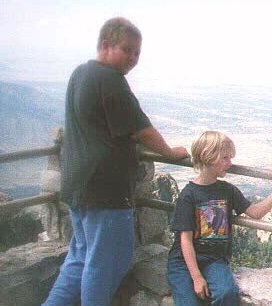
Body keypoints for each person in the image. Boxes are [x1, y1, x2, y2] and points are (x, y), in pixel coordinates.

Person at [42, 17, 189, 306]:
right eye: (127, 50)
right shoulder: (110, 81)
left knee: (81, 258)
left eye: (137, 53)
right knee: (106, 263)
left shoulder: (81, 73)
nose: (133, 58)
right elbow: (142, 129)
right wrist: (170, 153)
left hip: (77, 186)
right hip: (104, 191)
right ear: (105, 45)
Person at [167, 131, 272, 306]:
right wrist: (196, 277)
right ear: (207, 157)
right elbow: (184, 239)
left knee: (227, 294)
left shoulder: (227, 190)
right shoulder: (189, 195)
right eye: (225, 158)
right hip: (183, 263)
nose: (230, 164)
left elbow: (255, 213)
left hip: (215, 260)